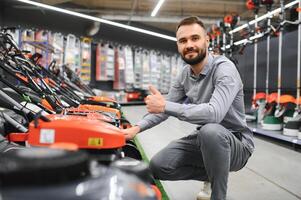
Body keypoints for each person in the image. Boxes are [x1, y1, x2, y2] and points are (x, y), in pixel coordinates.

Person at [121, 16, 254, 200]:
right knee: (158, 166)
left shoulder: (225, 69)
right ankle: (212, 172)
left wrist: (166, 105)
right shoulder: (185, 74)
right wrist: (136, 128)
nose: (189, 45)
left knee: (210, 131)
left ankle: (218, 195)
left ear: (207, 40)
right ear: (178, 45)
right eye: (183, 41)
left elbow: (214, 114)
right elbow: (162, 110)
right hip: (204, 140)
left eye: (195, 38)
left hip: (237, 144)